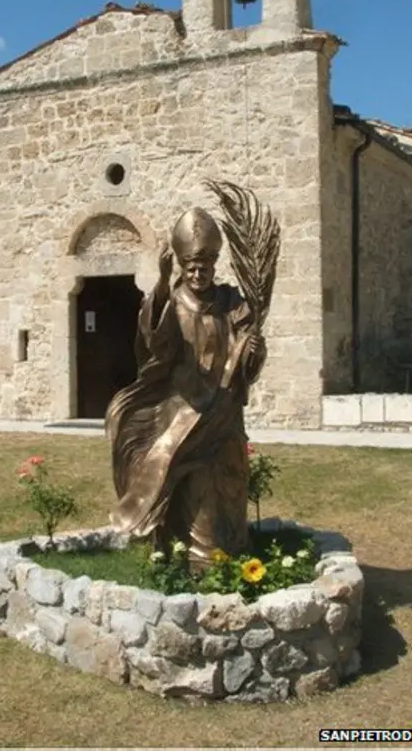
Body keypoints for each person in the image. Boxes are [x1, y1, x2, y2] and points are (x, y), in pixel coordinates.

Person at [106, 207, 267, 569]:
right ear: (181, 264)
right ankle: (198, 564)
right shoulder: (172, 302)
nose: (198, 273)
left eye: (205, 266)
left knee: (229, 486)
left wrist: (253, 353)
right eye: (190, 266)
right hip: (181, 417)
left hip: (224, 419)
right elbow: (153, 345)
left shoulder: (232, 304)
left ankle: (234, 555)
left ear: (215, 264)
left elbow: (248, 360)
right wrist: (162, 285)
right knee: (194, 493)